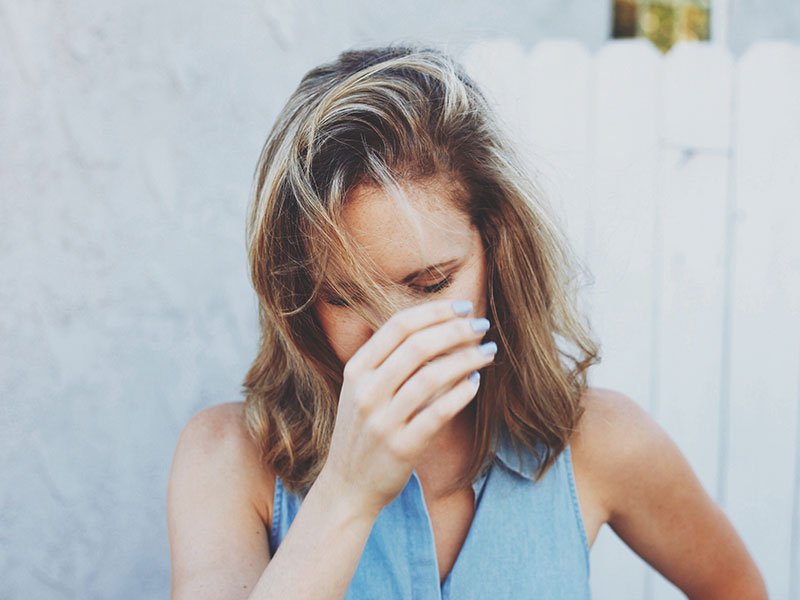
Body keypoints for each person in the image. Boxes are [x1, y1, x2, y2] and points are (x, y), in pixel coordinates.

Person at [166, 44, 766, 599]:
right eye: (345, 297)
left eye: (429, 283)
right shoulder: (225, 461)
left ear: (497, 254)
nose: (396, 336)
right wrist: (347, 493)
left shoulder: (601, 442)